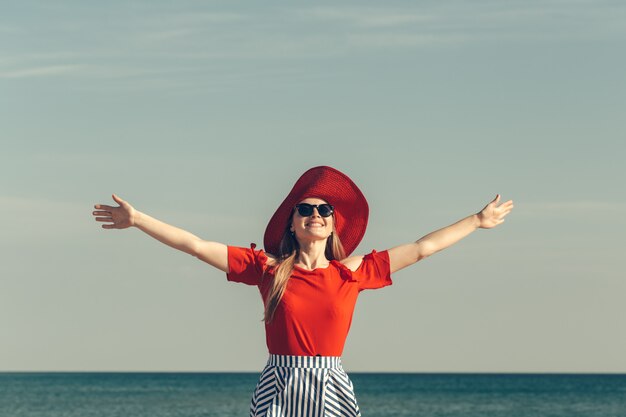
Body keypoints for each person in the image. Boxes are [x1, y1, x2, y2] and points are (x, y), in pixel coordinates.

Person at [92, 165, 513, 417]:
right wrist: (139, 220)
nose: (315, 214)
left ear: (333, 223)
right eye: (306, 209)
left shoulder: (353, 272)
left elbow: (422, 248)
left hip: (331, 383)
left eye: (324, 209)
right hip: (279, 382)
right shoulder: (267, 269)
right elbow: (197, 246)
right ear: (292, 223)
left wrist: (476, 221)